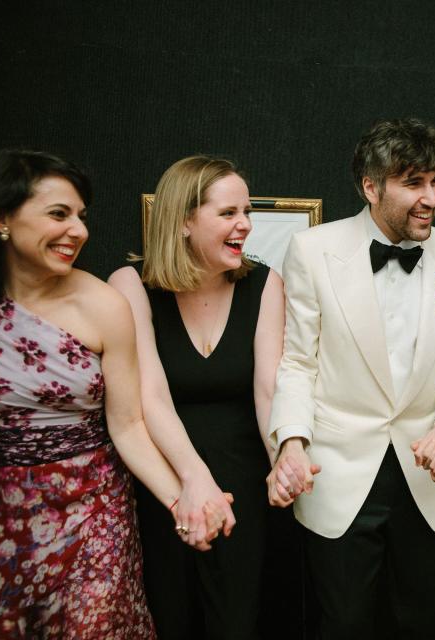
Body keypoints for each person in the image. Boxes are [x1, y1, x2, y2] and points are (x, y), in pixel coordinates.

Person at [0, 149, 218, 638]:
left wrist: (183, 505)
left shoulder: (104, 305)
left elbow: (126, 425)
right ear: (1, 218)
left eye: (82, 217)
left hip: (91, 512)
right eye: (59, 214)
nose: (79, 231)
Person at [265, 117, 435, 638]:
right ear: (370, 186)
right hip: (337, 473)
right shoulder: (313, 251)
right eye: (414, 183)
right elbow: (298, 362)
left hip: (425, 474)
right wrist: (291, 444)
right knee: (343, 623)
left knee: (425, 619)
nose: (431, 197)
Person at [109, 156, 284, 639]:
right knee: (171, 616)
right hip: (163, 480)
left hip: (246, 487)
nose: (244, 224)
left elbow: (268, 389)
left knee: (239, 621)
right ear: (185, 220)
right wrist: (194, 482)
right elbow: (151, 399)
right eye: (228, 213)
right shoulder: (130, 286)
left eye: (247, 212)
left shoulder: (265, 284)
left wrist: (282, 460)